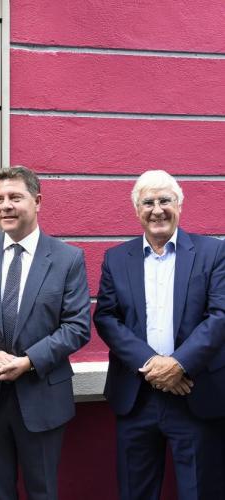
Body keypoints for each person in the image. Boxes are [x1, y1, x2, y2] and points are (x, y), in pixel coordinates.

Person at [0, 166, 91, 499]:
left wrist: (28, 361)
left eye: (15, 197)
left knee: (42, 491)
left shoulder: (67, 259)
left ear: (37, 201)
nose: (5, 206)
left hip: (41, 397)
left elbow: (77, 326)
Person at [93, 170, 225, 500]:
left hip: (195, 394)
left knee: (200, 491)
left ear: (179, 204)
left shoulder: (213, 253)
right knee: (135, 493)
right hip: (137, 398)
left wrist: (179, 364)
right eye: (148, 202)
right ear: (137, 210)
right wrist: (155, 366)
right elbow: (107, 318)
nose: (157, 209)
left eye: (165, 200)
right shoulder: (116, 258)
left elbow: (219, 316)